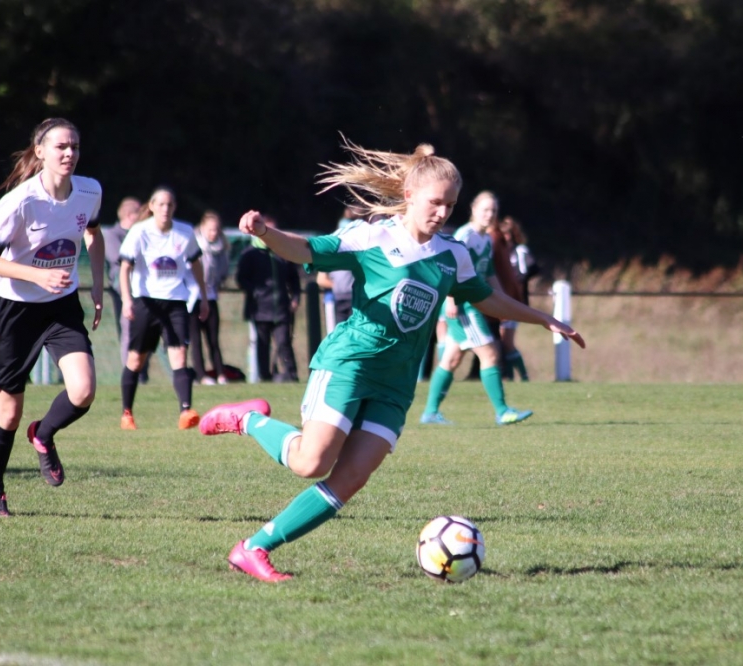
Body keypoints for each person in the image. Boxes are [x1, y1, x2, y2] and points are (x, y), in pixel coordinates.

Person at [196, 139, 585, 582]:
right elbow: (307, 250)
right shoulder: (372, 236)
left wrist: (543, 318)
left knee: (349, 480)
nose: (442, 213)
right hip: (350, 364)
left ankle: (253, 548)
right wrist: (266, 233)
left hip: (397, 384)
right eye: (435, 202)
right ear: (409, 196)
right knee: (310, 463)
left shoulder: (452, 254)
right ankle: (247, 420)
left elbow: (485, 297)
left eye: (450, 205)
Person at [0, 117, 105, 517]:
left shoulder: (89, 191)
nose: (69, 153)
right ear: (40, 152)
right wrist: (37, 275)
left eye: (75, 146)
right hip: (14, 308)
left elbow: (94, 234)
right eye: (61, 146)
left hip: (61, 306)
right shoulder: (20, 202)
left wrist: (98, 286)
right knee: (8, 411)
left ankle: (44, 433)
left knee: (83, 390)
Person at [420, 190, 533, 425]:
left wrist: (504, 302)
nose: (489, 214)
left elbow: (488, 273)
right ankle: (502, 411)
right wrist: (451, 300)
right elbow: (449, 266)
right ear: (473, 210)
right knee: (490, 353)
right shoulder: (466, 235)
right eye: (485, 209)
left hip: (470, 303)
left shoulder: (486, 239)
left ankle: (430, 413)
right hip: (463, 305)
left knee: (451, 359)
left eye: (493, 210)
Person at [118, 186, 209, 430]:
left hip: (176, 301)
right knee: (136, 359)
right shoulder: (140, 231)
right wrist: (127, 299)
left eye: (169, 204)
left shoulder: (185, 232)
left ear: (174, 207)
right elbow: (125, 267)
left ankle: (186, 412)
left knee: (179, 354)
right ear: (152, 206)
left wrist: (203, 296)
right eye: (160, 204)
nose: (165, 209)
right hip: (146, 301)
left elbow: (196, 264)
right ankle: (127, 413)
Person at [236, 215, 301, 382]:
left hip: (281, 307)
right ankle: (264, 376)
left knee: (283, 342)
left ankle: (291, 375)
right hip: (259, 308)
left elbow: (293, 278)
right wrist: (255, 291)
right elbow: (241, 279)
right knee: (262, 344)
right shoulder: (250, 254)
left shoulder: (283, 252)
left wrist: (295, 297)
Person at [102, 196, 145, 379]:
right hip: (123, 288)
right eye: (139, 213)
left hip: (143, 286)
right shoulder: (112, 234)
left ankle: (142, 373)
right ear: (129, 215)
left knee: (144, 330)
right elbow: (117, 259)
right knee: (128, 329)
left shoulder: (142, 232)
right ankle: (131, 373)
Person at [190, 210, 230, 385]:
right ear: (202, 228)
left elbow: (223, 273)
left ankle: (220, 374)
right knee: (195, 340)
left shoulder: (221, 249)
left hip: (211, 298)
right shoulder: (193, 246)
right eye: (210, 229)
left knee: (213, 339)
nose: (213, 233)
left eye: (216, 230)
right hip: (193, 299)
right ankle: (201, 375)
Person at [497, 215, 538, 381]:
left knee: (507, 342)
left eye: (509, 234)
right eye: (503, 234)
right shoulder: (498, 251)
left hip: (513, 302)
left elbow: (525, 273)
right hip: (500, 301)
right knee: (503, 342)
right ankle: (509, 377)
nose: (506, 237)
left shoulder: (520, 251)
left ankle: (524, 376)